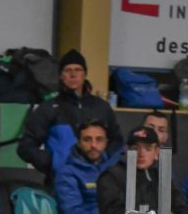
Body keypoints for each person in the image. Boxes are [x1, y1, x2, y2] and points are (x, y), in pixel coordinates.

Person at [17, 49, 123, 181]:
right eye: (68, 70)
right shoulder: (48, 108)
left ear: (85, 74)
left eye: (78, 70)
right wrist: (53, 162)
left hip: (98, 181)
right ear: (61, 76)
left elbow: (117, 142)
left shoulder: (101, 107)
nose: (73, 74)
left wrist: (104, 163)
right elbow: (26, 146)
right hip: (60, 182)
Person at [97, 125, 188, 214]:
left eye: (148, 148)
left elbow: (183, 209)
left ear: (157, 152)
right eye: (135, 148)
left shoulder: (162, 177)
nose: (141, 154)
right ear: (126, 150)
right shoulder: (111, 177)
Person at [53, 119, 119, 214]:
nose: (93, 145)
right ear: (78, 142)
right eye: (87, 139)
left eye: (99, 139)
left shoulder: (114, 169)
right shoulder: (67, 173)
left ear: (106, 143)